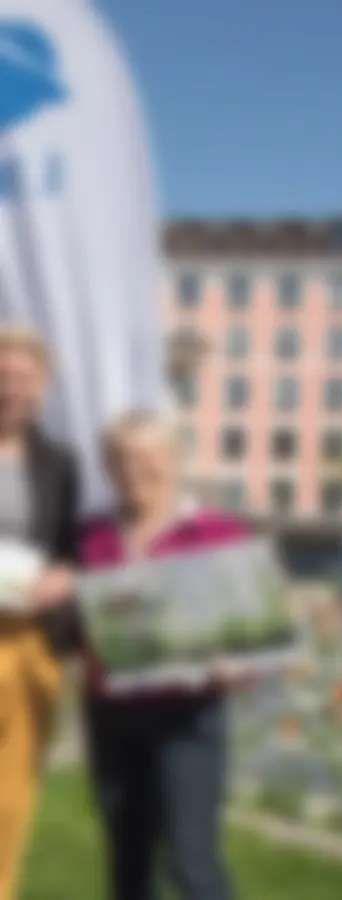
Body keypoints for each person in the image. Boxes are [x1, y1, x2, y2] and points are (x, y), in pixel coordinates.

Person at [79, 411, 250, 900]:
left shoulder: (216, 534)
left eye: (149, 458)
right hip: (110, 714)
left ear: (175, 461)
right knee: (128, 859)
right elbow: (74, 625)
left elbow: (255, 636)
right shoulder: (94, 537)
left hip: (187, 716)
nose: (135, 470)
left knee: (190, 859)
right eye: (122, 460)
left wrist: (233, 661)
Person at [0, 329, 79, 899]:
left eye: (23, 378)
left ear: (42, 387)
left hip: (34, 641)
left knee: (12, 789)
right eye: (3, 375)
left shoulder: (59, 462)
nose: (11, 387)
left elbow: (69, 546)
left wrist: (66, 575)